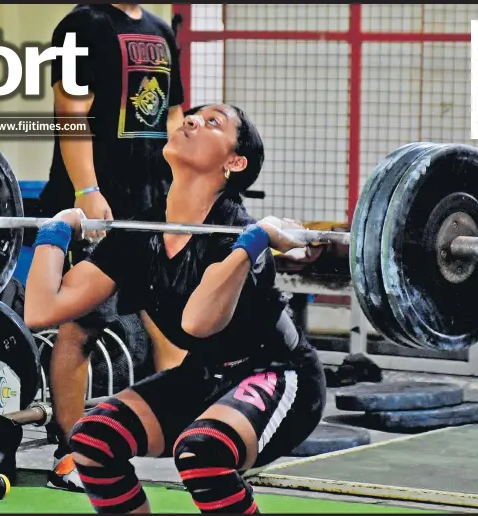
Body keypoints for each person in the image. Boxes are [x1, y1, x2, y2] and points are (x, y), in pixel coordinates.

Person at [25, 104, 326, 513]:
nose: (190, 120)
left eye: (212, 122)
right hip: (204, 375)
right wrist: (55, 232)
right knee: (94, 440)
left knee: (204, 451)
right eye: (193, 116)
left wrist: (252, 242)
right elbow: (43, 310)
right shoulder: (141, 233)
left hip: (278, 374)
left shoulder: (234, 232)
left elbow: (198, 321)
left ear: (234, 162)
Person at [36, 3, 187, 490]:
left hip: (152, 202)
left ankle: (187, 441)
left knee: (171, 325)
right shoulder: (83, 25)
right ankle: (71, 451)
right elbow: (71, 108)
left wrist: (183, 189)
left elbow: (173, 115)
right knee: (83, 326)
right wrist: (86, 190)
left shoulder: (161, 30)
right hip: (96, 201)